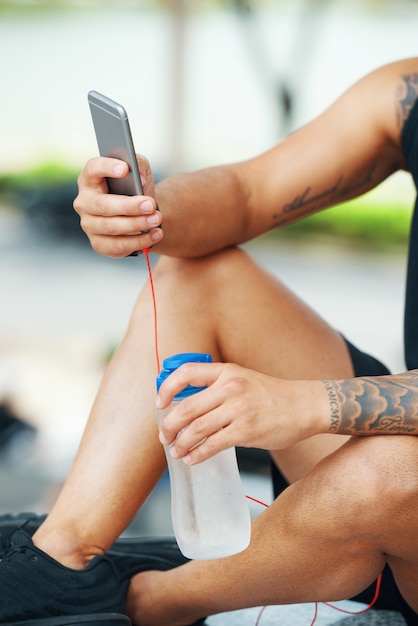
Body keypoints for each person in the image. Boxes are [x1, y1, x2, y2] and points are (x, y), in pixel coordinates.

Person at [1, 57, 418, 626]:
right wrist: (149, 210)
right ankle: (62, 562)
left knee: (395, 469)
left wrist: (299, 403)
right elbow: (248, 191)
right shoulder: (407, 91)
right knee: (197, 274)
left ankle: (150, 603)